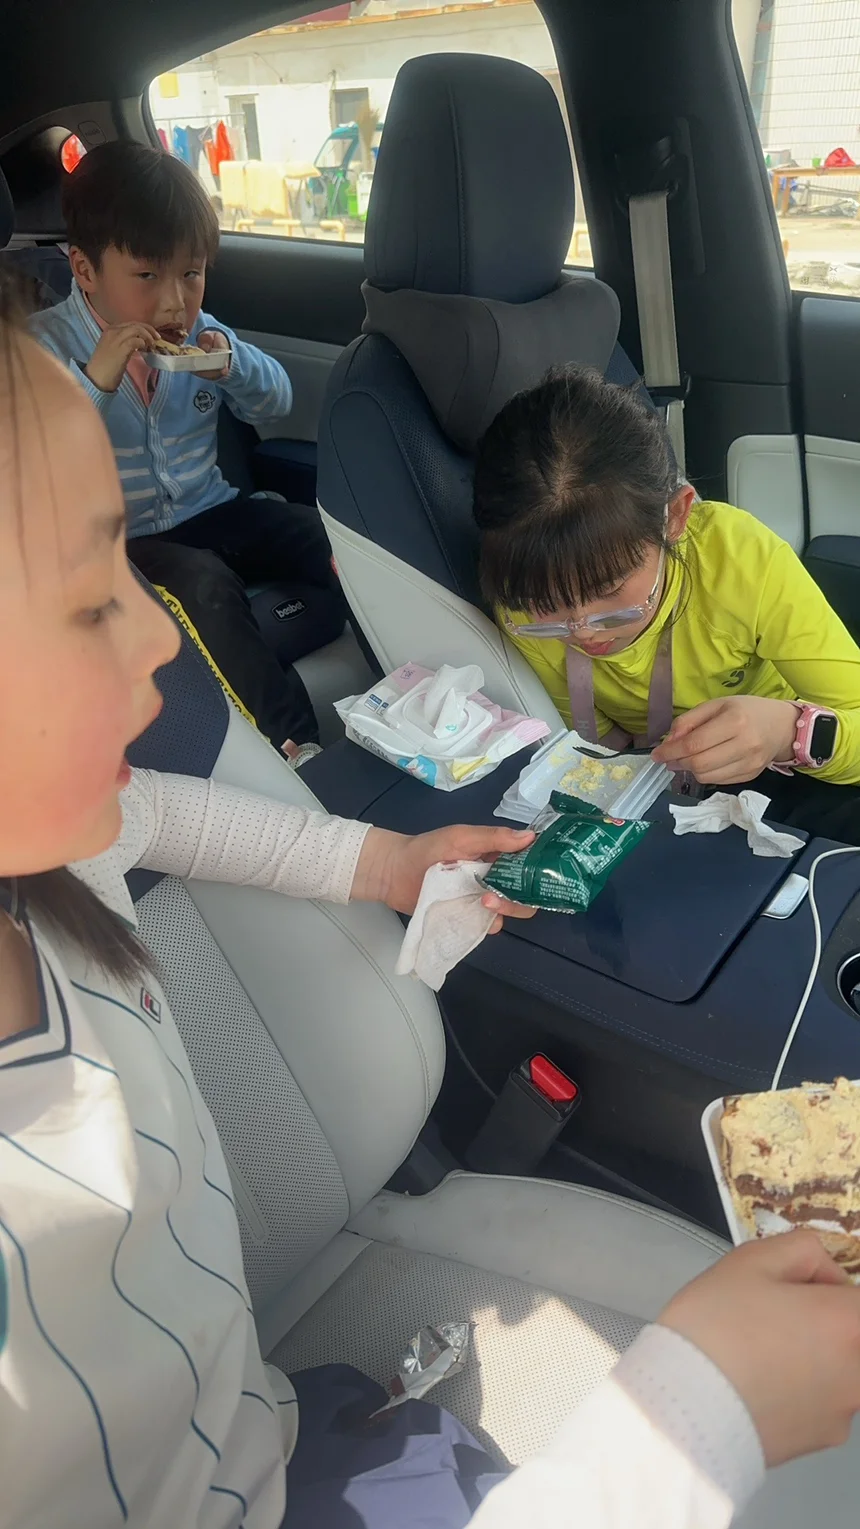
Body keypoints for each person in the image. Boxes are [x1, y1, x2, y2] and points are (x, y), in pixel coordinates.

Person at [3, 314, 860, 1528]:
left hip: (263, 1408)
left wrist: (383, 860)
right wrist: (693, 1415)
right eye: (91, 597)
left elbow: (163, 815)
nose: (163, 636)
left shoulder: (66, 843)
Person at [28, 139, 343, 757]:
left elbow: (275, 404)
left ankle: (411, 687)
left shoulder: (201, 333)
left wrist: (231, 365)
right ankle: (298, 749)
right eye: (148, 276)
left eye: (191, 274)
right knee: (202, 583)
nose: (175, 300)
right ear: (85, 270)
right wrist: (96, 381)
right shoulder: (41, 348)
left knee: (323, 536)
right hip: (117, 545)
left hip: (212, 509)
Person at [474, 365, 860, 843]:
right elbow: (586, 736)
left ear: (675, 517)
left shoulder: (741, 562)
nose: (582, 630)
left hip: (781, 753)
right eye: (546, 603)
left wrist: (789, 733)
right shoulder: (517, 598)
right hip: (652, 776)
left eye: (609, 587)